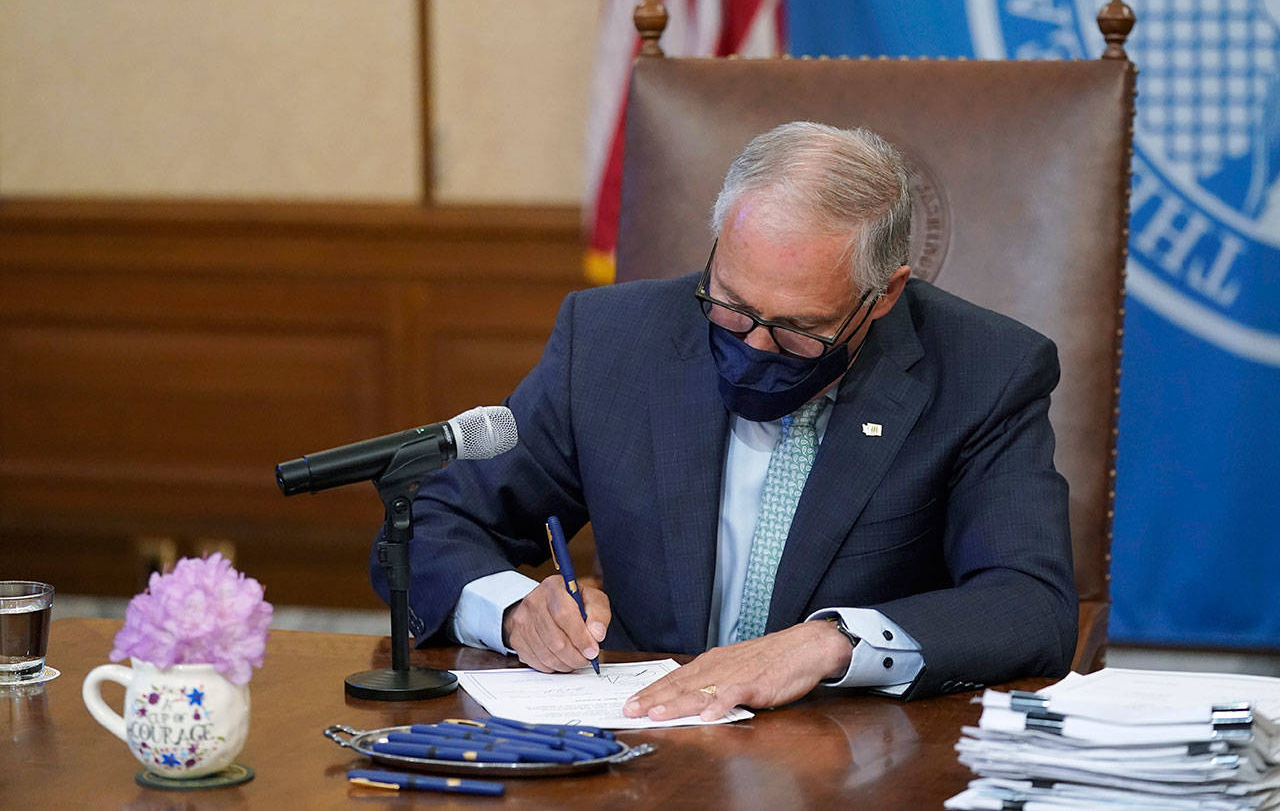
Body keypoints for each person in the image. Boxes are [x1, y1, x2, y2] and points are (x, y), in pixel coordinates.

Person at [371, 122, 1076, 720]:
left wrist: (832, 643)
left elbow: (1028, 602)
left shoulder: (985, 372)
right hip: (644, 750)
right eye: (733, 306)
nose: (755, 344)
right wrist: (516, 609)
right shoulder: (615, 341)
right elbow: (432, 522)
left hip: (849, 758)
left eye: (801, 328)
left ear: (885, 293)